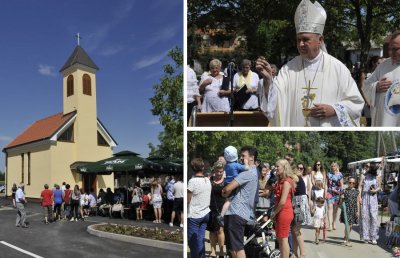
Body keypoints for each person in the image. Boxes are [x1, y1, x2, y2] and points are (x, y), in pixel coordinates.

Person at [256, 0, 364, 126]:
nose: (301, 44)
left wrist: (334, 110)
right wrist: (268, 80)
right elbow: (275, 102)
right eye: (298, 40)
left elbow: (356, 103)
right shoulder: (288, 69)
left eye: (305, 39)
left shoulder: (338, 69)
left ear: (320, 40)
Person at [221, 146, 259, 258]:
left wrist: (224, 192)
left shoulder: (247, 172)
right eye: (240, 156)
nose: (241, 158)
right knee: (233, 248)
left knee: (237, 248)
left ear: (251, 158)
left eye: (243, 156)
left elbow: (227, 189)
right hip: (237, 213)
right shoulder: (252, 171)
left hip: (236, 213)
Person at [363, 31, 400, 126]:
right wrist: (376, 87)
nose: (390, 53)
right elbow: (366, 85)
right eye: (389, 49)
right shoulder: (383, 65)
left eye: (395, 49)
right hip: (385, 120)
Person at [270, 159, 298, 258]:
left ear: (284, 167)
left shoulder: (286, 182)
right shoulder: (281, 181)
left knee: (283, 239)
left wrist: (274, 213)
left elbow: (282, 202)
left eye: (278, 166)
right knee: (280, 238)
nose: (275, 168)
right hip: (281, 212)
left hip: (284, 212)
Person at [188, 158, 212, 258]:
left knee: (193, 243)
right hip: (206, 213)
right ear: (202, 167)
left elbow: (188, 200)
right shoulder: (207, 180)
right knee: (200, 239)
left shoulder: (192, 181)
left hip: (195, 215)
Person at [220, 145, 249, 218]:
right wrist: (246, 163)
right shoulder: (236, 165)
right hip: (233, 185)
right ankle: (222, 215)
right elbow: (247, 168)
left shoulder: (226, 165)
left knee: (227, 200)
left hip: (226, 184)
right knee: (229, 201)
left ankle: (223, 214)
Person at [291, 163, 312, 258]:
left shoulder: (295, 177)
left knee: (296, 230)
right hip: (298, 202)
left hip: (299, 203)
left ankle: (303, 253)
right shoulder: (298, 177)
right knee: (294, 230)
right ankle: (295, 253)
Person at [358, 163, 381, 244]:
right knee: (365, 217)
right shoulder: (363, 176)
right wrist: (359, 197)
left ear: (371, 167)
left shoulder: (377, 176)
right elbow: (359, 187)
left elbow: (379, 187)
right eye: (365, 166)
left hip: (373, 198)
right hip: (365, 197)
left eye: (368, 166)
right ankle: (365, 236)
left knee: (374, 217)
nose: (366, 167)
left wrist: (375, 190)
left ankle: (373, 237)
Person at [207, 162, 225, 258]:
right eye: (217, 171)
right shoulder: (209, 180)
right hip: (210, 208)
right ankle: (213, 251)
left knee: (220, 230)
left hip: (222, 209)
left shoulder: (226, 181)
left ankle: (221, 251)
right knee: (212, 230)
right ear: (214, 171)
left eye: (221, 171)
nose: (219, 173)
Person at [340, 177, 360, 247]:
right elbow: (341, 201)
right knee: (347, 225)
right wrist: (341, 198)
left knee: (351, 225)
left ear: (355, 184)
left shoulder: (357, 191)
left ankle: (346, 236)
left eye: (353, 183)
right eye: (350, 182)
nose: (351, 184)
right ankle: (348, 239)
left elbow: (357, 202)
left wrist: (357, 211)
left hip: (353, 209)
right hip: (346, 209)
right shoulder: (344, 190)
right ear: (348, 182)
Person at [326, 162, 343, 231]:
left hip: (337, 193)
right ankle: (330, 225)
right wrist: (325, 192)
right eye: (332, 166)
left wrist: (342, 193)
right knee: (330, 208)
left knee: (335, 210)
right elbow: (326, 184)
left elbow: (342, 184)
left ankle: (334, 223)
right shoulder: (328, 174)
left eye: (334, 166)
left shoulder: (340, 174)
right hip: (330, 193)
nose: (333, 167)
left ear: (337, 167)